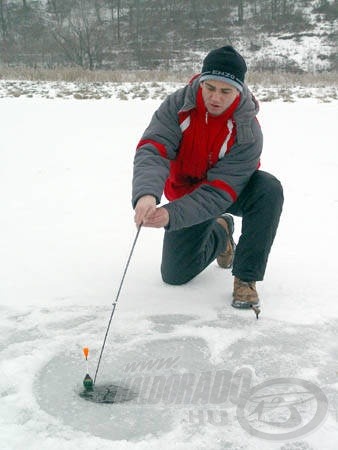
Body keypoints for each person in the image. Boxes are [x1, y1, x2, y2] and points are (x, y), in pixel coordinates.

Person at [132, 45, 283, 311]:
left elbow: (219, 191)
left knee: (268, 189)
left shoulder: (248, 129)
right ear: (200, 82)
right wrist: (147, 194)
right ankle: (220, 233)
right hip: (187, 193)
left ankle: (245, 278)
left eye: (225, 91)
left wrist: (171, 215)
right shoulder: (177, 106)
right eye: (210, 87)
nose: (215, 97)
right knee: (174, 275)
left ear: (239, 91)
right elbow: (153, 149)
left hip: (227, 190)